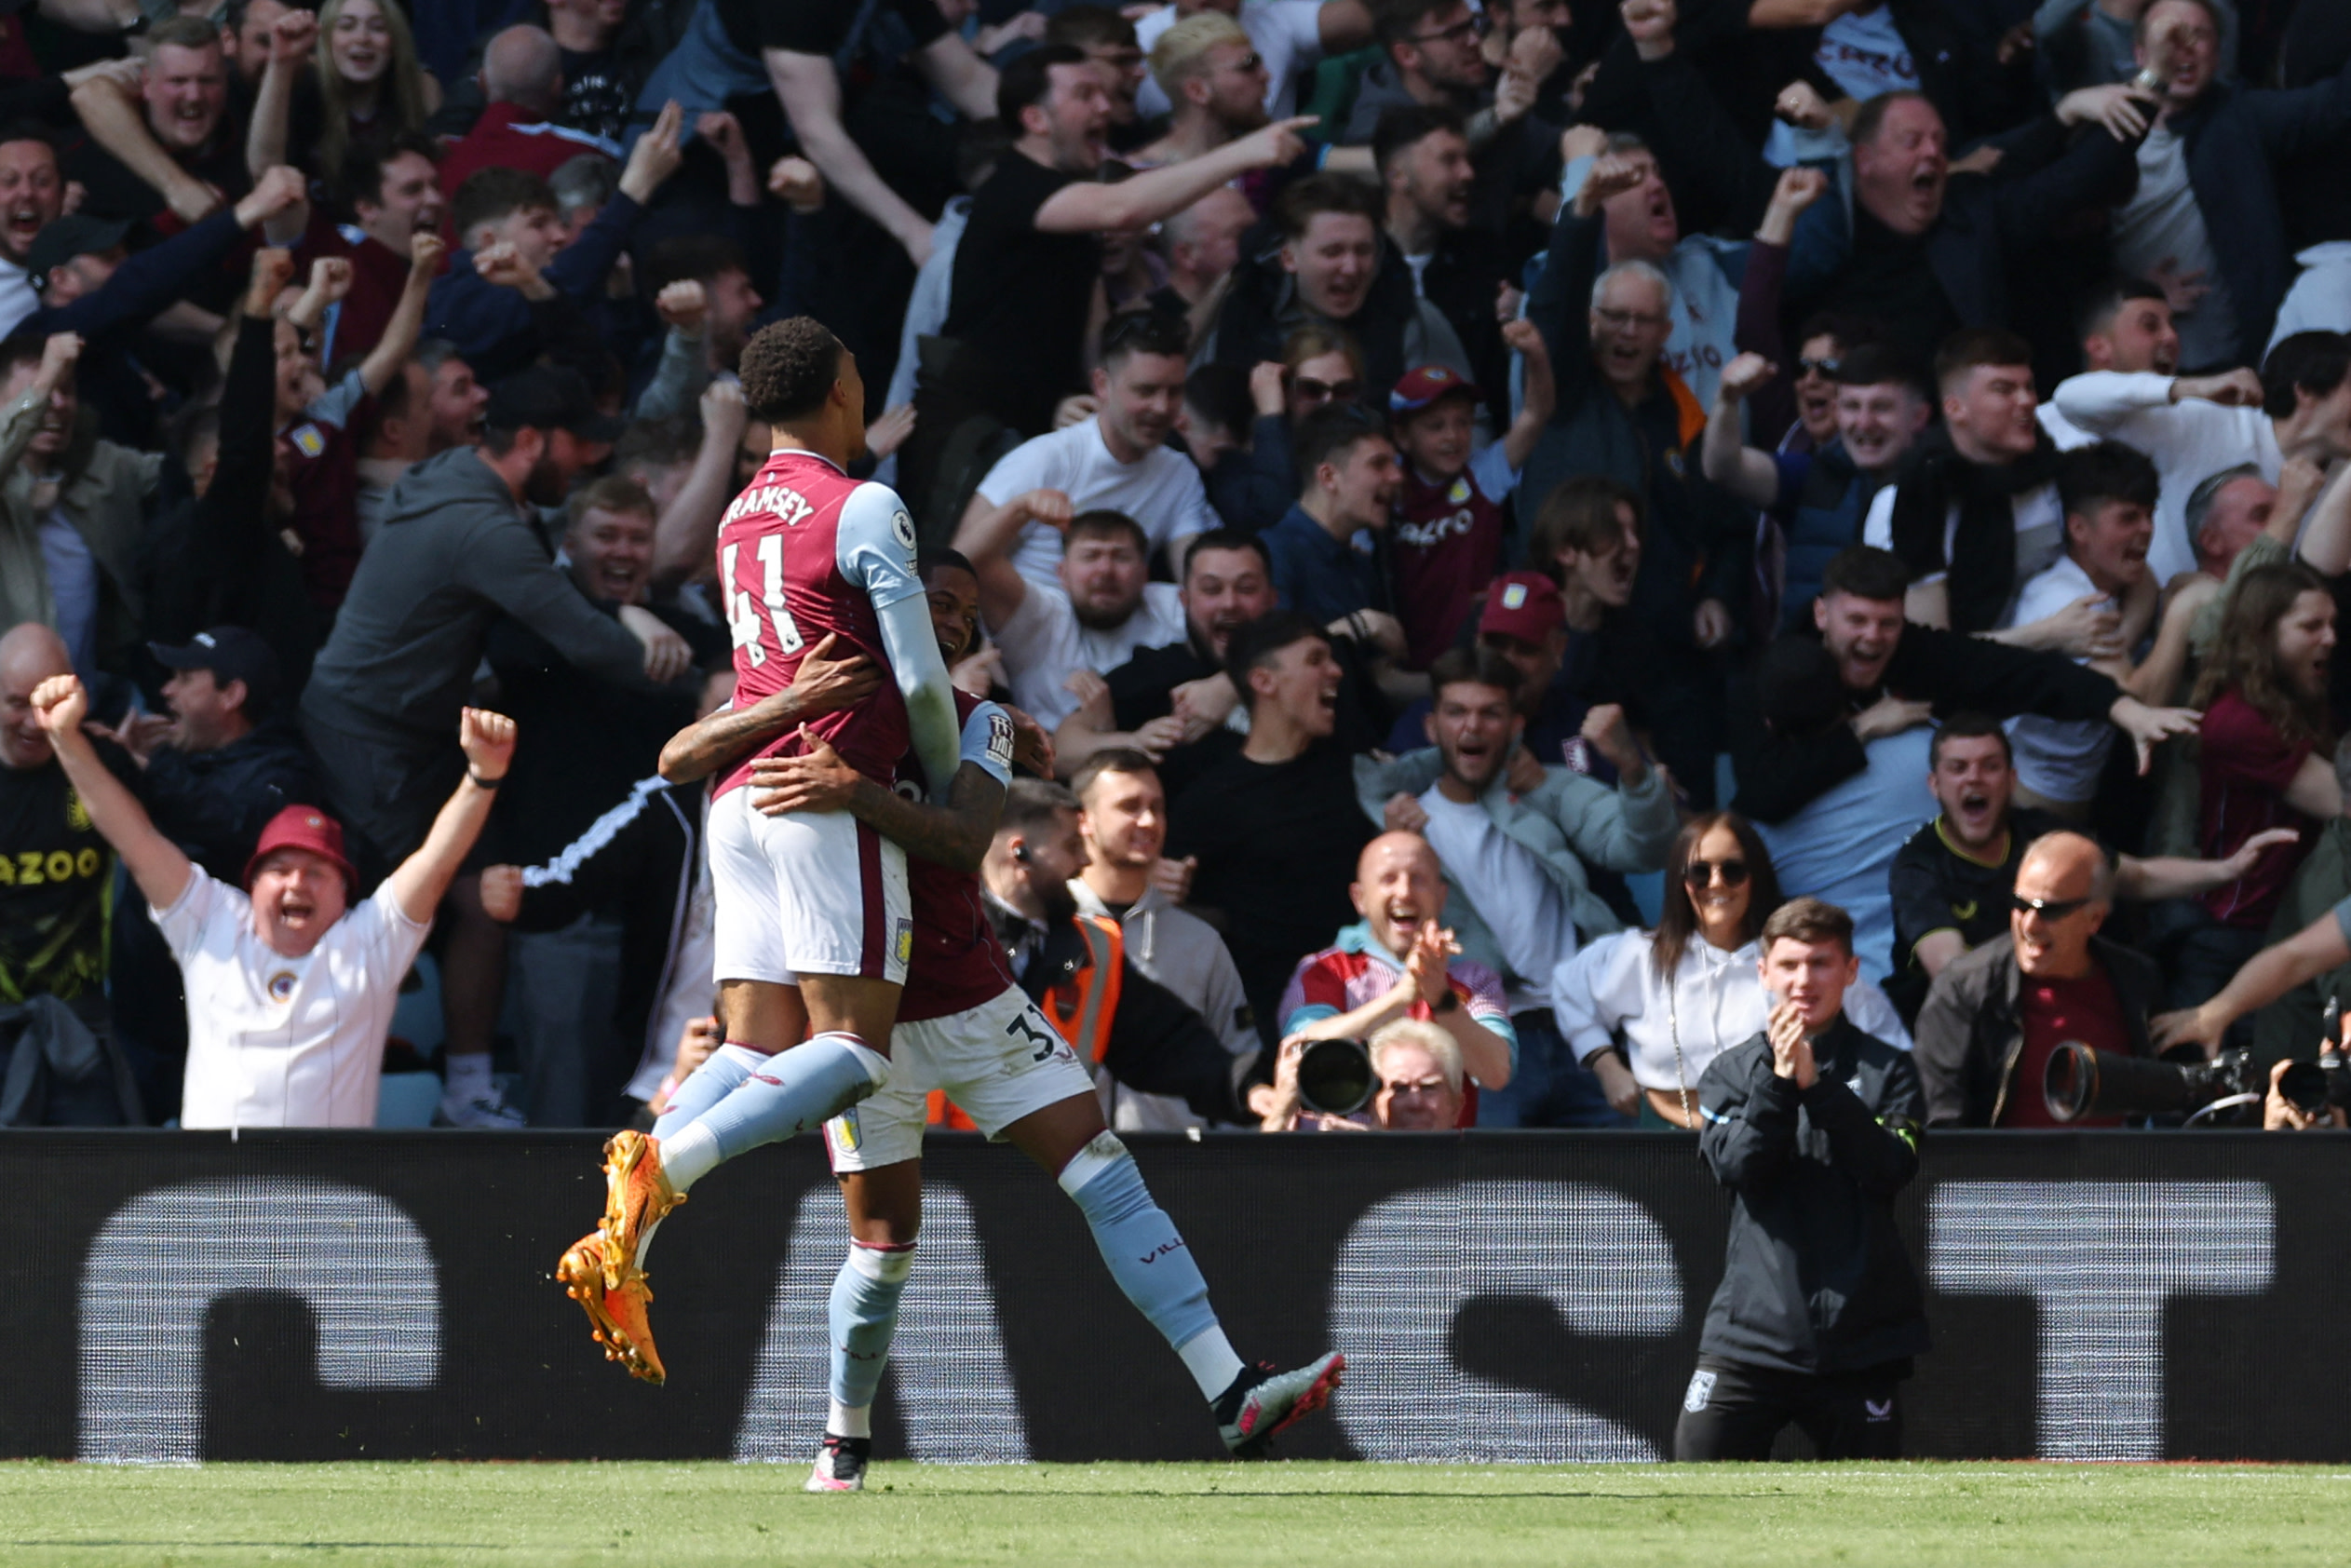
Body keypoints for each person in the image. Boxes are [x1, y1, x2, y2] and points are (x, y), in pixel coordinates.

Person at [555, 315, 965, 1382]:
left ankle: (622, 1230)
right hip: (823, 791)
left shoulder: (741, 514)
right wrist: (938, 777)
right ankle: (665, 1160)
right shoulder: (867, 503)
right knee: (857, 1054)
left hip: (739, 795)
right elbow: (921, 681)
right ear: (839, 388)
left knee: (752, 1047)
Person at [300, 364, 663, 1126]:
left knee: (481, 896)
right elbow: (581, 638)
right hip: (369, 732)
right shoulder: (485, 528)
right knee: (391, 913)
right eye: (578, 447)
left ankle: (466, 1090)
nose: (588, 462)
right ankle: (334, 1095)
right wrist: (696, 682)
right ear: (530, 442)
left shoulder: (453, 474)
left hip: (422, 730)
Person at [33, 669, 513, 1130]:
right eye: (279, 871)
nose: (296, 884)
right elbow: (132, 838)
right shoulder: (211, 921)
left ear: (346, 893)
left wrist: (482, 778)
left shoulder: (369, 942)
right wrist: (64, 739)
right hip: (218, 1201)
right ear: (252, 884)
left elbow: (436, 861)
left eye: (317, 873)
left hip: (331, 1205)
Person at [906, 46, 1311, 526]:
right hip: (971, 436)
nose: (1105, 107)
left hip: (1040, 431)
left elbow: (1095, 335)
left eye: (1103, 92)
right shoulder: (1014, 187)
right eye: (1085, 94)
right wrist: (1245, 152)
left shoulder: (1071, 209)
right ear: (1035, 117)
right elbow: (1122, 208)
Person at [1359, 648, 1675, 1125]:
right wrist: (1398, 846)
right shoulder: (1403, 827)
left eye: (1490, 713)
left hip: (1583, 1033)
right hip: (1482, 1035)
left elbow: (1642, 847)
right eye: (1457, 712)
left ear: (1516, 727)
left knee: (1617, 1195)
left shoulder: (1545, 789)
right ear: (1431, 728)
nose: (1472, 727)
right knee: (1493, 1196)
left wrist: (1631, 765)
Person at [1522, 147, 1748, 804]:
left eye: (1640, 321)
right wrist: (1581, 210)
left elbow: (1730, 528)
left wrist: (1719, 599)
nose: (1625, 332)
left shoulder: (1682, 412)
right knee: (1581, 799)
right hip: (1577, 650)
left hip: (1671, 650)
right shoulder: (1562, 392)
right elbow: (1554, 304)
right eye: (1611, 318)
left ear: (1664, 331)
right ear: (1590, 326)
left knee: (1691, 815)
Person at [1674, 897, 1927, 1463]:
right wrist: (1781, 1082)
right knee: (1696, 1494)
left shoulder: (1891, 1070)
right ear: (1763, 972)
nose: (1804, 980)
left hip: (1860, 1343)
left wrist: (1821, 1088)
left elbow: (1891, 1168)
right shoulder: (1730, 1074)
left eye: (1820, 963)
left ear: (1851, 971)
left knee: (1869, 1522)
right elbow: (1739, 1168)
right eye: (1789, 965)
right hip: (1748, 1339)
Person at [1731, 546, 2199, 828]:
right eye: (1857, 621)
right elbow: (1761, 792)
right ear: (1821, 615)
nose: (1872, 638)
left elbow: (2025, 674)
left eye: (1886, 623)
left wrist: (2124, 710)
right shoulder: (1779, 671)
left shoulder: (1913, 651)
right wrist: (1863, 730)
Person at [1886, 715, 2294, 1023]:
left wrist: (2229, 870)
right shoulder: (1918, 866)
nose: (1974, 778)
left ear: (2011, 779)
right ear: (1935, 785)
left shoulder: (2042, 832)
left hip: (2057, 1014)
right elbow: (1954, 974)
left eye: (1989, 766)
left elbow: (2139, 877)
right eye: (1958, 768)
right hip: (1965, 1031)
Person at [1555, 811, 1912, 1128]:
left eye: (1733, 870)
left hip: (1774, 1141)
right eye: (1699, 872)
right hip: (1665, 1138)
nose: (1716, 883)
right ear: (1681, 881)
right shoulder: (1639, 954)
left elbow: (1887, 1045)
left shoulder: (1793, 961)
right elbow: (1566, 987)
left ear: (1756, 876)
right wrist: (1606, 1066)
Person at [1168, 612, 1378, 1045]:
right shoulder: (1211, 801)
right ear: (1264, 682)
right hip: (1280, 1031)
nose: (1335, 670)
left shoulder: (1354, 767)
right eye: (1316, 659)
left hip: (1375, 1007)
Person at [2050, 330, 2351, 584]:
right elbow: (2071, 400)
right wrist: (2188, 387)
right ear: (2307, 391)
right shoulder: (2209, 420)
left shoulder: (2344, 485)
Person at [1913, 831, 2163, 1128]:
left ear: (2094, 919)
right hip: (2000, 1172)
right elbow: (1941, 1123)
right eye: (2020, 904)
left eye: (2050, 910)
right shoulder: (1963, 990)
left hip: (2119, 1171)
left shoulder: (2137, 981)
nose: (2030, 924)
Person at [1068, 749, 1260, 1129]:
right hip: (1056, 1165)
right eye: (1130, 806)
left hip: (1175, 1169)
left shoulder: (1201, 943)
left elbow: (1239, 1058)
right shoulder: (1045, 931)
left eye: (1157, 807)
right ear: (1084, 821)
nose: (1149, 820)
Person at [2176, 561, 2337, 1008]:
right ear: (2264, 634)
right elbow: (2341, 801)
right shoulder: (2241, 722)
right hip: (2238, 935)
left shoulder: (2295, 701)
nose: (2330, 638)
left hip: (2279, 927)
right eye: (2311, 626)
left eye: (2331, 624)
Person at [960, 310, 1217, 588]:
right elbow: (959, 561)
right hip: (1024, 623)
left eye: (1174, 391)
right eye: (1146, 391)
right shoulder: (1045, 458)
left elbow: (1198, 586)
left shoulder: (1178, 474)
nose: (1162, 407)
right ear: (1101, 385)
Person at [1273, 830, 1517, 1122]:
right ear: (1359, 898)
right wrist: (1401, 997)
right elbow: (1299, 1054)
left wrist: (1440, 996)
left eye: (1418, 879)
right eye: (1389, 879)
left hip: (1441, 1162)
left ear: (1441, 897)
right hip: (1343, 1158)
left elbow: (1498, 1073)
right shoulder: (1325, 971)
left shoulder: (1475, 979)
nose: (1404, 892)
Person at [1704, 344, 1931, 632]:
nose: (1864, 422)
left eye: (1881, 408)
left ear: (1919, 417)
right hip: (1809, 667)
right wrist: (1727, 399)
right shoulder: (1814, 475)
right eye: (1852, 406)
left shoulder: (1942, 490)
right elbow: (1724, 468)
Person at [1862, 329, 2072, 639]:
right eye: (2004, 390)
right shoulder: (1907, 502)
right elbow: (1929, 650)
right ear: (1955, 408)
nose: (2027, 401)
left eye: (2029, 386)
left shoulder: (2053, 472)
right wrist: (2048, 635)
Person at [1384, 329, 1553, 668]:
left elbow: (1534, 416)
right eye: (1436, 426)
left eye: (1463, 423)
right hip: (1405, 661)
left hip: (1473, 659)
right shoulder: (1387, 485)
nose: (1453, 436)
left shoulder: (1482, 475)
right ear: (1401, 436)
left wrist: (1536, 355)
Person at [954, 504, 1185, 732]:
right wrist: (1021, 509)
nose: (1105, 570)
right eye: (1090, 556)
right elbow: (969, 562)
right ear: (1062, 573)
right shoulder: (1041, 613)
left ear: (1144, 573)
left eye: (1121, 557)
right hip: (1043, 759)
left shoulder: (1173, 604)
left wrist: (1221, 686)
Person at [0, 623, 115, 1011]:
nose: (35, 723)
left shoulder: (102, 766)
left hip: (85, 1009)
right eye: (17, 704)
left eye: (46, 704)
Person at [1261, 401, 1401, 627]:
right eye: (1378, 464)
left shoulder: (1360, 567)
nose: (1396, 476)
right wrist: (1360, 626)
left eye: (1393, 463)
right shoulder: (1273, 556)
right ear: (1328, 477)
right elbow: (1275, 651)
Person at [1257, 1015, 1466, 1131]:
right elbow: (1253, 1193)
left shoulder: (1479, 1186)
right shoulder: (1347, 1167)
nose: (1415, 1102)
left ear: (1457, 1106)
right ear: (1374, 1099)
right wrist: (1280, 1114)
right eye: (1399, 1089)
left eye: (1429, 1088)